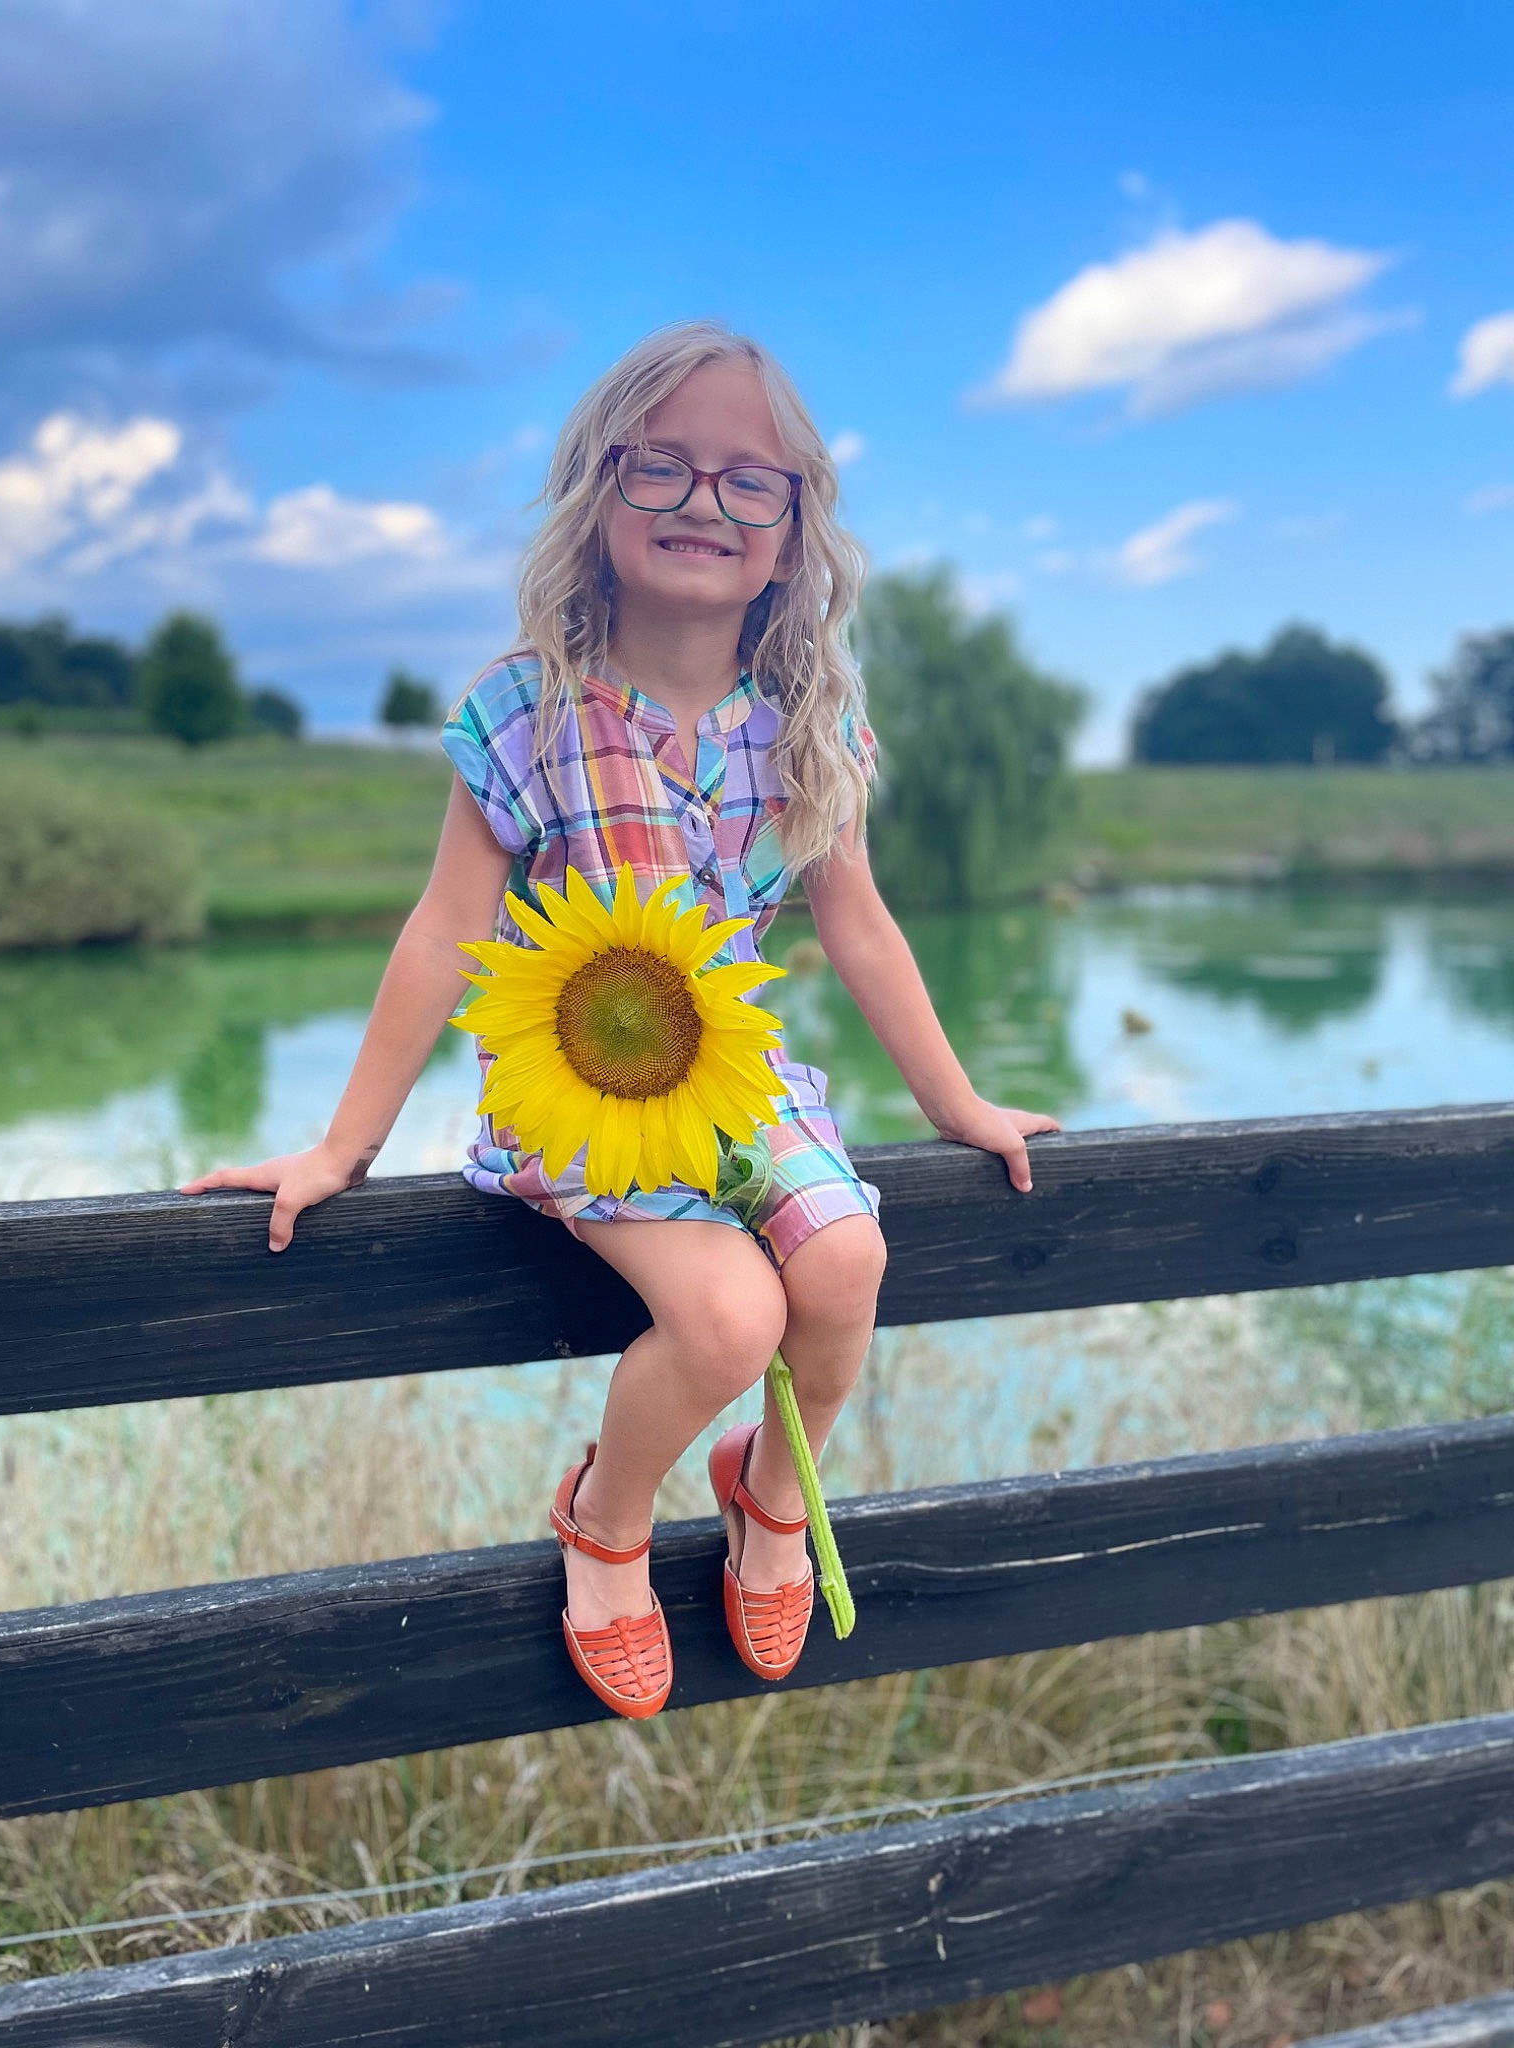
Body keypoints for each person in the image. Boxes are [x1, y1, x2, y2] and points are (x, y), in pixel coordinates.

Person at [179, 319, 1060, 1721]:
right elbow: (442, 936)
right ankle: (607, 1514)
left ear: (791, 533)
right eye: (661, 468)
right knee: (724, 1320)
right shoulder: (525, 712)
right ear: (597, 501)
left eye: (746, 480)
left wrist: (961, 1108)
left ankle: (772, 1493)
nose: (704, 502)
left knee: (842, 1262)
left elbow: (862, 929)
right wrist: (338, 1152)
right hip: (584, 1096)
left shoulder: (808, 727)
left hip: (744, 1088)